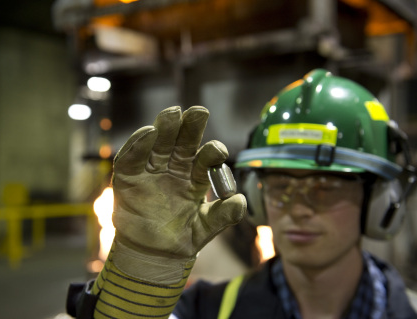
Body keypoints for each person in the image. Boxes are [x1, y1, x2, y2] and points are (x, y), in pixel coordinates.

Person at [66, 69, 417, 318]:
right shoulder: (210, 310)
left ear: (378, 199)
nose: (298, 209)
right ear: (258, 197)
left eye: (324, 188)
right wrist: (138, 282)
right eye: (281, 186)